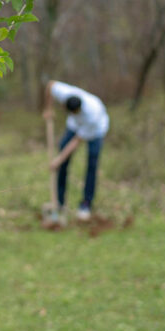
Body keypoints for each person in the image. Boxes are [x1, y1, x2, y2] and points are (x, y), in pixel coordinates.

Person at [42, 79, 110, 223]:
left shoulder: (92, 115)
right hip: (74, 127)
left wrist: (57, 160)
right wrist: (48, 108)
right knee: (63, 162)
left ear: (79, 110)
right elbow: (50, 85)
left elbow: (76, 142)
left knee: (91, 164)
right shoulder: (65, 93)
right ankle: (59, 203)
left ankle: (86, 205)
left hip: (96, 131)